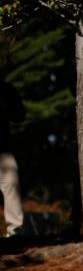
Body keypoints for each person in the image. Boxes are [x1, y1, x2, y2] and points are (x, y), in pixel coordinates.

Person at [1, 80, 25, 237]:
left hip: (2, 148)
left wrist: (4, 109)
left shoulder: (6, 88)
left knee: (10, 181)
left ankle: (15, 231)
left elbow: (20, 115)